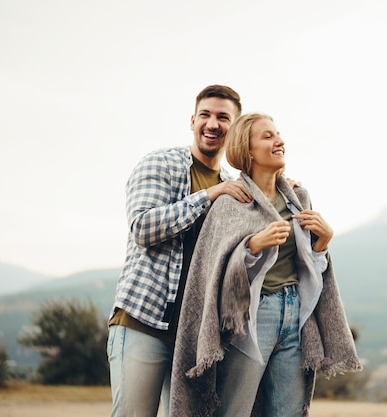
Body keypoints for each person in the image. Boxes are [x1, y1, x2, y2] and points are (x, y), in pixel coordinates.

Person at [170, 113, 362, 417]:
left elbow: (310, 268)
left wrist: (323, 242)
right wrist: (251, 246)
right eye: (268, 136)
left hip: (296, 318)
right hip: (249, 320)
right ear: (248, 150)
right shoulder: (230, 204)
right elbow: (212, 276)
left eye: (278, 134)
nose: (279, 141)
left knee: (289, 411)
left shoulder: (299, 197)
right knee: (235, 410)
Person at [107, 85, 253, 417]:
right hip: (144, 322)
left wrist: (284, 191)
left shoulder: (234, 186)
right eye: (205, 115)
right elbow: (142, 228)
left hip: (194, 335)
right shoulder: (162, 162)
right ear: (192, 120)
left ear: (236, 127)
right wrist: (208, 196)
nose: (212, 124)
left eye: (222, 117)